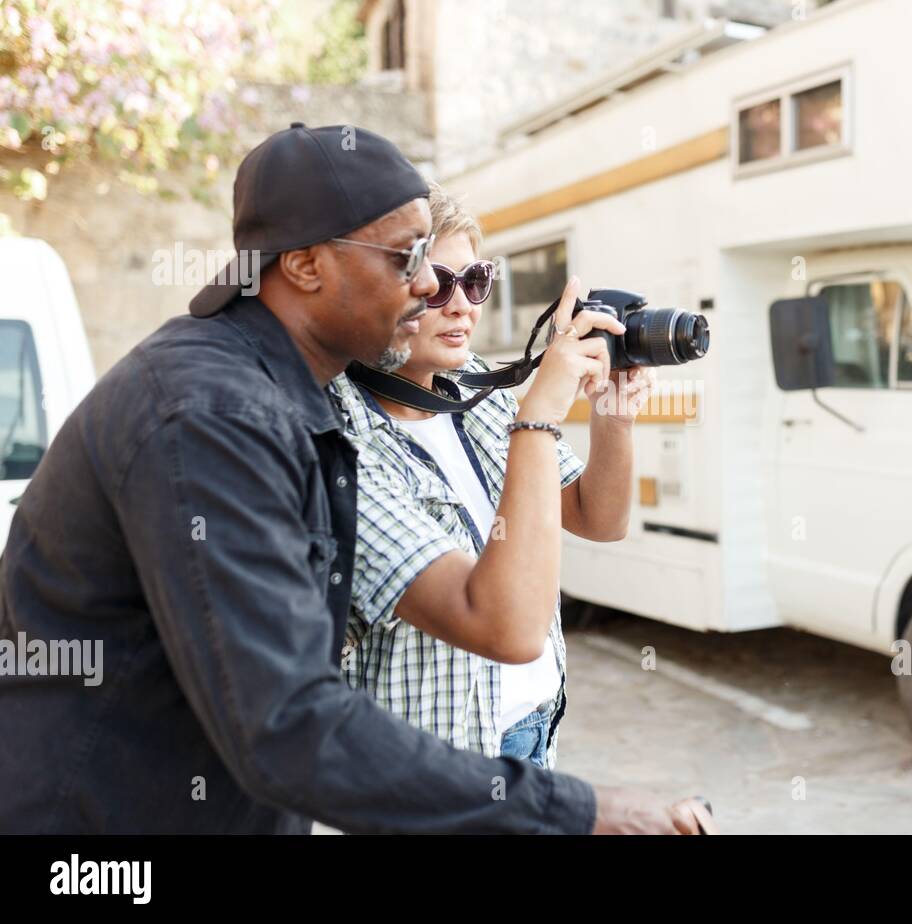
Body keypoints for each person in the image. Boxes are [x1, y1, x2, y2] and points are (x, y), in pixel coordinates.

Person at [0, 123, 713, 835]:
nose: (438, 287)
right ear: (307, 267)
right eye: (409, 258)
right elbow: (287, 725)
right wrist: (583, 811)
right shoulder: (214, 416)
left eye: (466, 275)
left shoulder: (280, 392)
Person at [332, 187, 653, 769]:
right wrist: (540, 410)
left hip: (533, 733)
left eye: (475, 281)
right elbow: (500, 625)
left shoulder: (476, 389)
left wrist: (612, 416)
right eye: (438, 284)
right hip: (436, 769)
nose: (463, 307)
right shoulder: (343, 431)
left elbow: (598, 519)